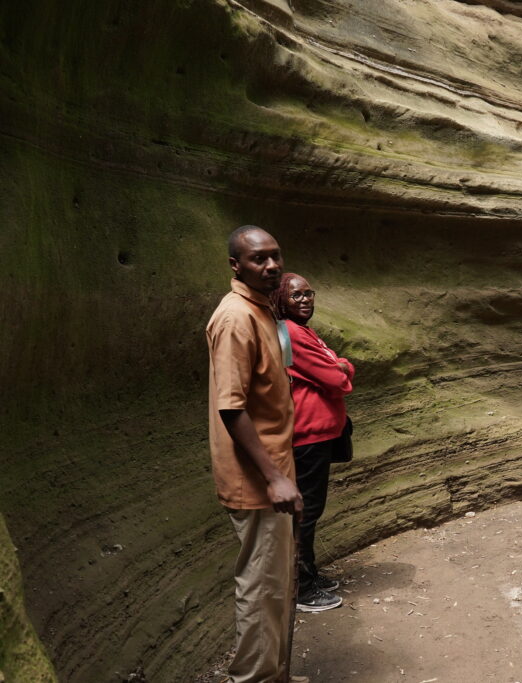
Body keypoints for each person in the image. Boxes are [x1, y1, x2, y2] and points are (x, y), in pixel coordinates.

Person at [206, 225, 304, 682]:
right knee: (262, 588)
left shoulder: (262, 308)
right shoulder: (235, 318)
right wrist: (274, 478)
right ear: (235, 266)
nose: (271, 266)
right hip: (257, 480)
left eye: (275, 257)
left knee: (278, 585)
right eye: (258, 259)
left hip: (274, 472)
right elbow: (231, 407)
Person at [272, 272, 355, 612]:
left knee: (312, 509)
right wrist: (343, 366)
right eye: (296, 295)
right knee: (306, 512)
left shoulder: (303, 330)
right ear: (281, 300)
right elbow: (336, 377)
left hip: (320, 432)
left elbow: (334, 369)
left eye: (309, 293)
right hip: (308, 436)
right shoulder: (290, 332)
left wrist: (339, 365)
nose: (305, 300)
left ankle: (309, 573)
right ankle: (302, 589)